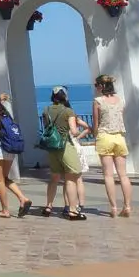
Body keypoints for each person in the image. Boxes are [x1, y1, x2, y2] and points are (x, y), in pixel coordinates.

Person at [0, 90, 32, 218]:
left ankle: (5, 210)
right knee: (4, 178)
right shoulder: (4, 112)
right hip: (9, 149)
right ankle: (22, 198)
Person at [42, 86, 88, 221]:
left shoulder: (46, 110)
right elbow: (73, 131)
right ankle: (73, 211)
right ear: (65, 97)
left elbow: (47, 127)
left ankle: (48, 206)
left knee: (54, 178)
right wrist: (79, 134)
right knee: (71, 178)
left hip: (52, 147)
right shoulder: (68, 111)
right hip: (65, 146)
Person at [93, 75, 133, 218]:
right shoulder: (120, 100)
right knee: (123, 175)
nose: (96, 88)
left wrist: (95, 137)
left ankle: (114, 208)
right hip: (119, 137)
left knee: (108, 175)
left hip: (105, 136)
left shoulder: (98, 101)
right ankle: (127, 206)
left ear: (101, 86)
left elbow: (96, 124)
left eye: (96, 85)